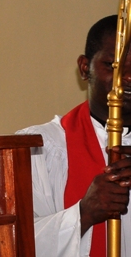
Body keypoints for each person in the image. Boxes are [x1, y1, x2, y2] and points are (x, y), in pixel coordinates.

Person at [17, 15, 131, 256]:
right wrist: (83, 213)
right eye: (113, 66)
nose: (127, 79)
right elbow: (15, 240)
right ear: (84, 67)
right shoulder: (38, 147)